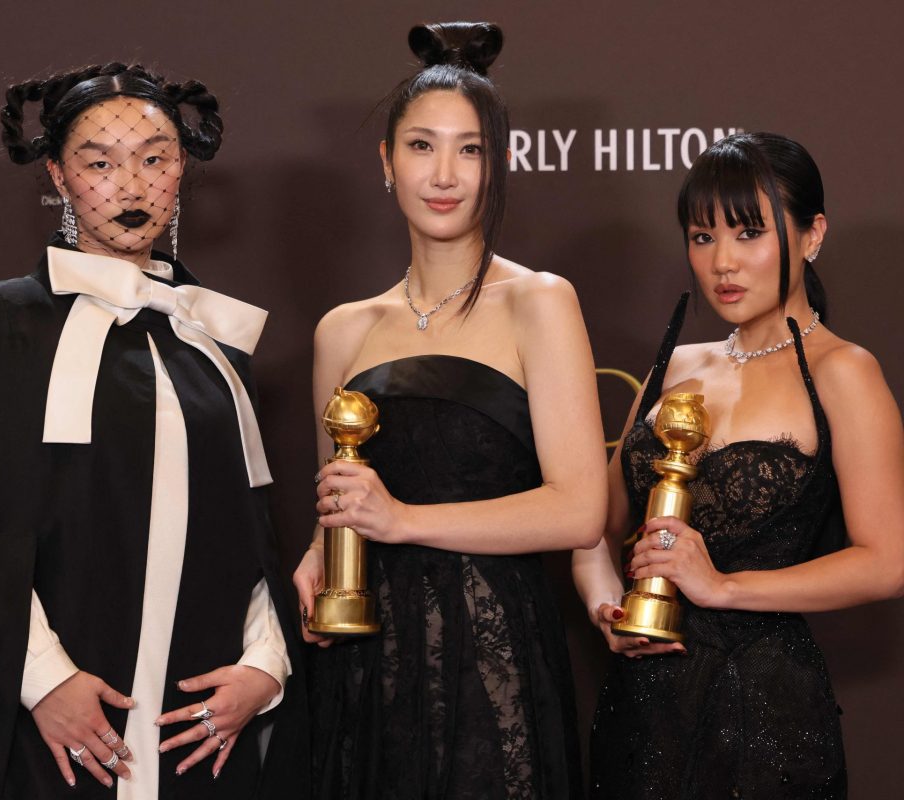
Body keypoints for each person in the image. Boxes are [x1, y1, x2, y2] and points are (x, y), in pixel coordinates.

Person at [0, 63, 305, 799]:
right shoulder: (3, 321)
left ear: (181, 171)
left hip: (197, 732)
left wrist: (264, 667)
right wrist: (43, 681)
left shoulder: (210, 336)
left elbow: (252, 530)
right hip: (56, 728)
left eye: (154, 159)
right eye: (100, 162)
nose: (131, 186)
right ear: (58, 174)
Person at [292, 22, 608, 800]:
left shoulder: (540, 302)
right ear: (386, 162)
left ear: (498, 165)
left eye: (470, 150)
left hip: (494, 665)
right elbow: (342, 502)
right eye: (422, 146)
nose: (445, 173)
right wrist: (314, 555)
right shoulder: (342, 331)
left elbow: (578, 511)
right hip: (366, 668)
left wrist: (403, 520)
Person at [572, 132, 904, 799]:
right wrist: (606, 605)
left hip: (765, 713)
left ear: (812, 236)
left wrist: (722, 587)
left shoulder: (845, 372)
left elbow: (888, 560)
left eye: (748, 233)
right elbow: (593, 526)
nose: (722, 261)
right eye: (702, 237)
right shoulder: (675, 364)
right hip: (641, 709)